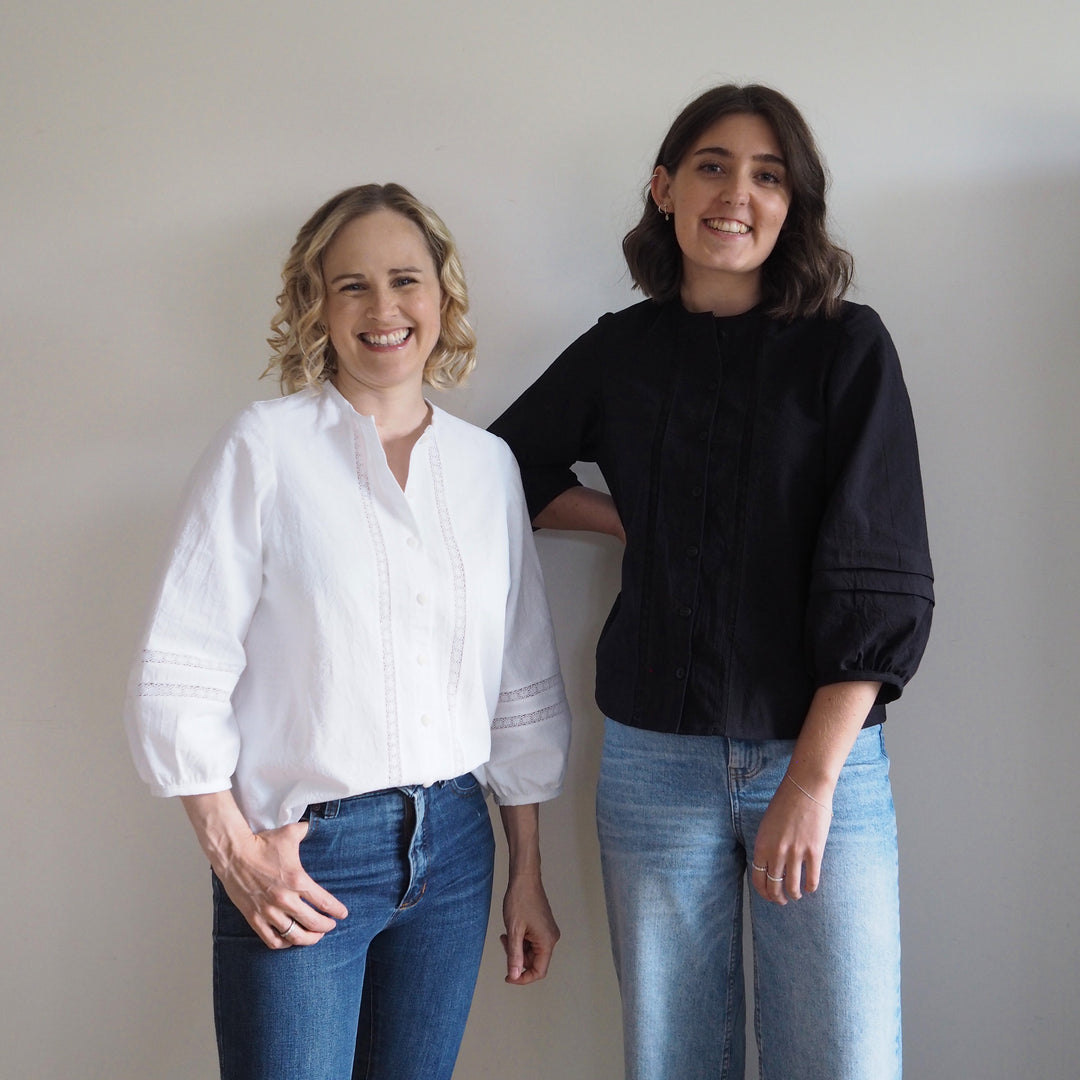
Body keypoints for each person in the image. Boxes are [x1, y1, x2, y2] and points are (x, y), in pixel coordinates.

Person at [490, 85, 933, 1080]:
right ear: (664, 189)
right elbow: (502, 467)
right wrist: (627, 522)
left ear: (794, 206)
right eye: (712, 165)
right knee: (672, 1058)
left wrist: (813, 782)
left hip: (818, 757)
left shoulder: (848, 348)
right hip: (655, 759)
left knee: (842, 1057)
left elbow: (882, 574)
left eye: (768, 175)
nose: (737, 192)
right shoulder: (621, 350)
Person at [124, 183, 571, 1080]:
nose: (383, 309)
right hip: (306, 853)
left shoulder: (488, 469)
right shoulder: (264, 448)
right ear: (316, 307)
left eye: (405, 279)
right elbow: (181, 661)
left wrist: (526, 868)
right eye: (351, 286)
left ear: (442, 296)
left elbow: (518, 676)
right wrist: (231, 849)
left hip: (455, 847)